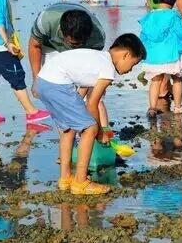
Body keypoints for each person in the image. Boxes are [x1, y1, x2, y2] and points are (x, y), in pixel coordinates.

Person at [36, 33, 144, 195]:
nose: (130, 70)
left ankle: (65, 178)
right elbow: (93, 103)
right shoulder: (108, 68)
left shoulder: (99, 57)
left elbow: (81, 96)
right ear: (126, 55)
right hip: (58, 84)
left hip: (44, 81)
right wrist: (99, 132)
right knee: (90, 129)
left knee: (68, 129)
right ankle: (81, 182)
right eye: (133, 64)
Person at [138, 0, 182, 117]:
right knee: (177, 79)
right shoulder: (174, 16)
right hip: (172, 54)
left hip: (153, 56)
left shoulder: (149, 17)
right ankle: (177, 107)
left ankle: (152, 108)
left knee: (155, 81)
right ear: (173, 0)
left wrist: (141, 52)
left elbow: (143, 37)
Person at [27, 2, 106, 96]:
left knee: (92, 94)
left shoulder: (97, 37)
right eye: (73, 44)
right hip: (50, 45)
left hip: (83, 53)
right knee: (51, 88)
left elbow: (90, 67)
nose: (76, 46)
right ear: (61, 31)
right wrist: (37, 80)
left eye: (80, 43)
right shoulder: (45, 22)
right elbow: (34, 46)